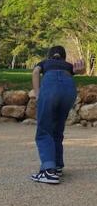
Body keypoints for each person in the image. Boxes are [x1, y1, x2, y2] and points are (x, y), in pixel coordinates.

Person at [31, 45, 85, 184]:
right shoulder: (67, 65)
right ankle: (57, 165)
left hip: (50, 88)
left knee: (44, 130)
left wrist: (37, 94)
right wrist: (81, 70)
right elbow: (79, 70)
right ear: (64, 56)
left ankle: (48, 171)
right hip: (69, 90)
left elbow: (36, 72)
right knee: (57, 128)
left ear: (49, 55)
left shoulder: (44, 63)